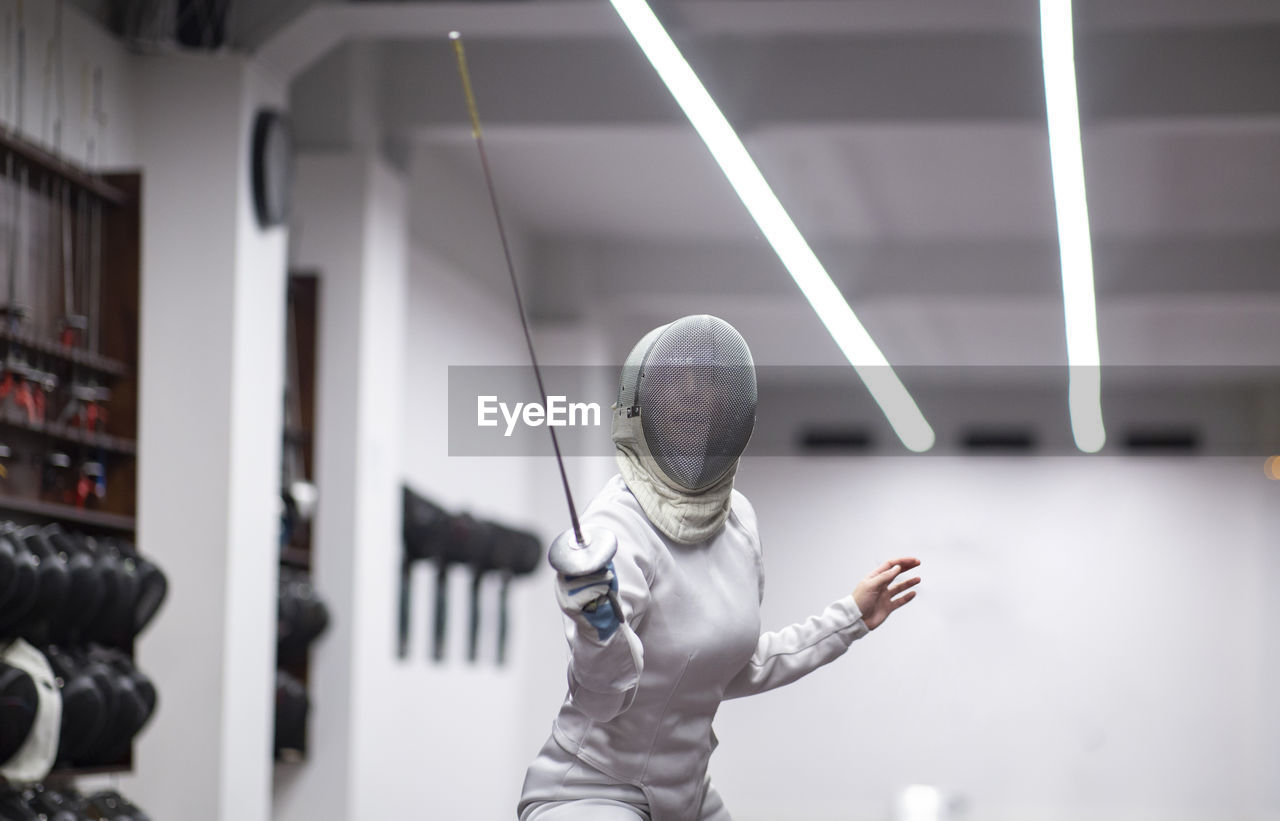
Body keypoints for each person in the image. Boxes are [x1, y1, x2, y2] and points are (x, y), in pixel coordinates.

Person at [518, 315, 921, 821]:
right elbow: (602, 700)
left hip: (688, 796)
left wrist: (851, 616)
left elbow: (736, 667)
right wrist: (599, 624)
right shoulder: (615, 527)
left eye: (708, 399)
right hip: (596, 793)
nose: (695, 415)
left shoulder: (739, 521)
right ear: (641, 413)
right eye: (678, 400)